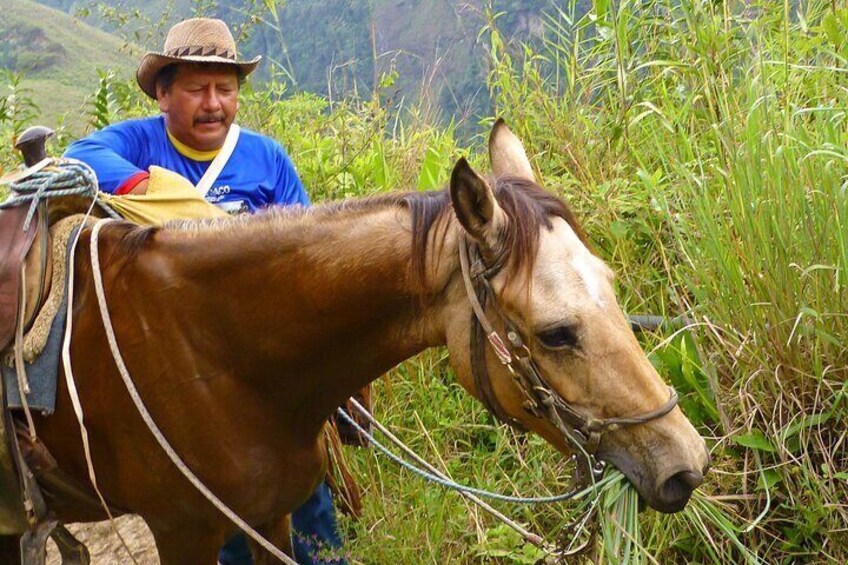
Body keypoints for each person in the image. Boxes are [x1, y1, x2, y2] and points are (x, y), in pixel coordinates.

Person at [64, 17, 347, 565]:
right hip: (183, 369)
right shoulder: (138, 142)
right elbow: (80, 155)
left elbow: (306, 251)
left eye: (225, 88)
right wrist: (155, 191)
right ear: (163, 94)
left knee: (303, 486)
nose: (213, 103)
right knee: (224, 493)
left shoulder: (266, 159)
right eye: (196, 89)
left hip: (265, 359)